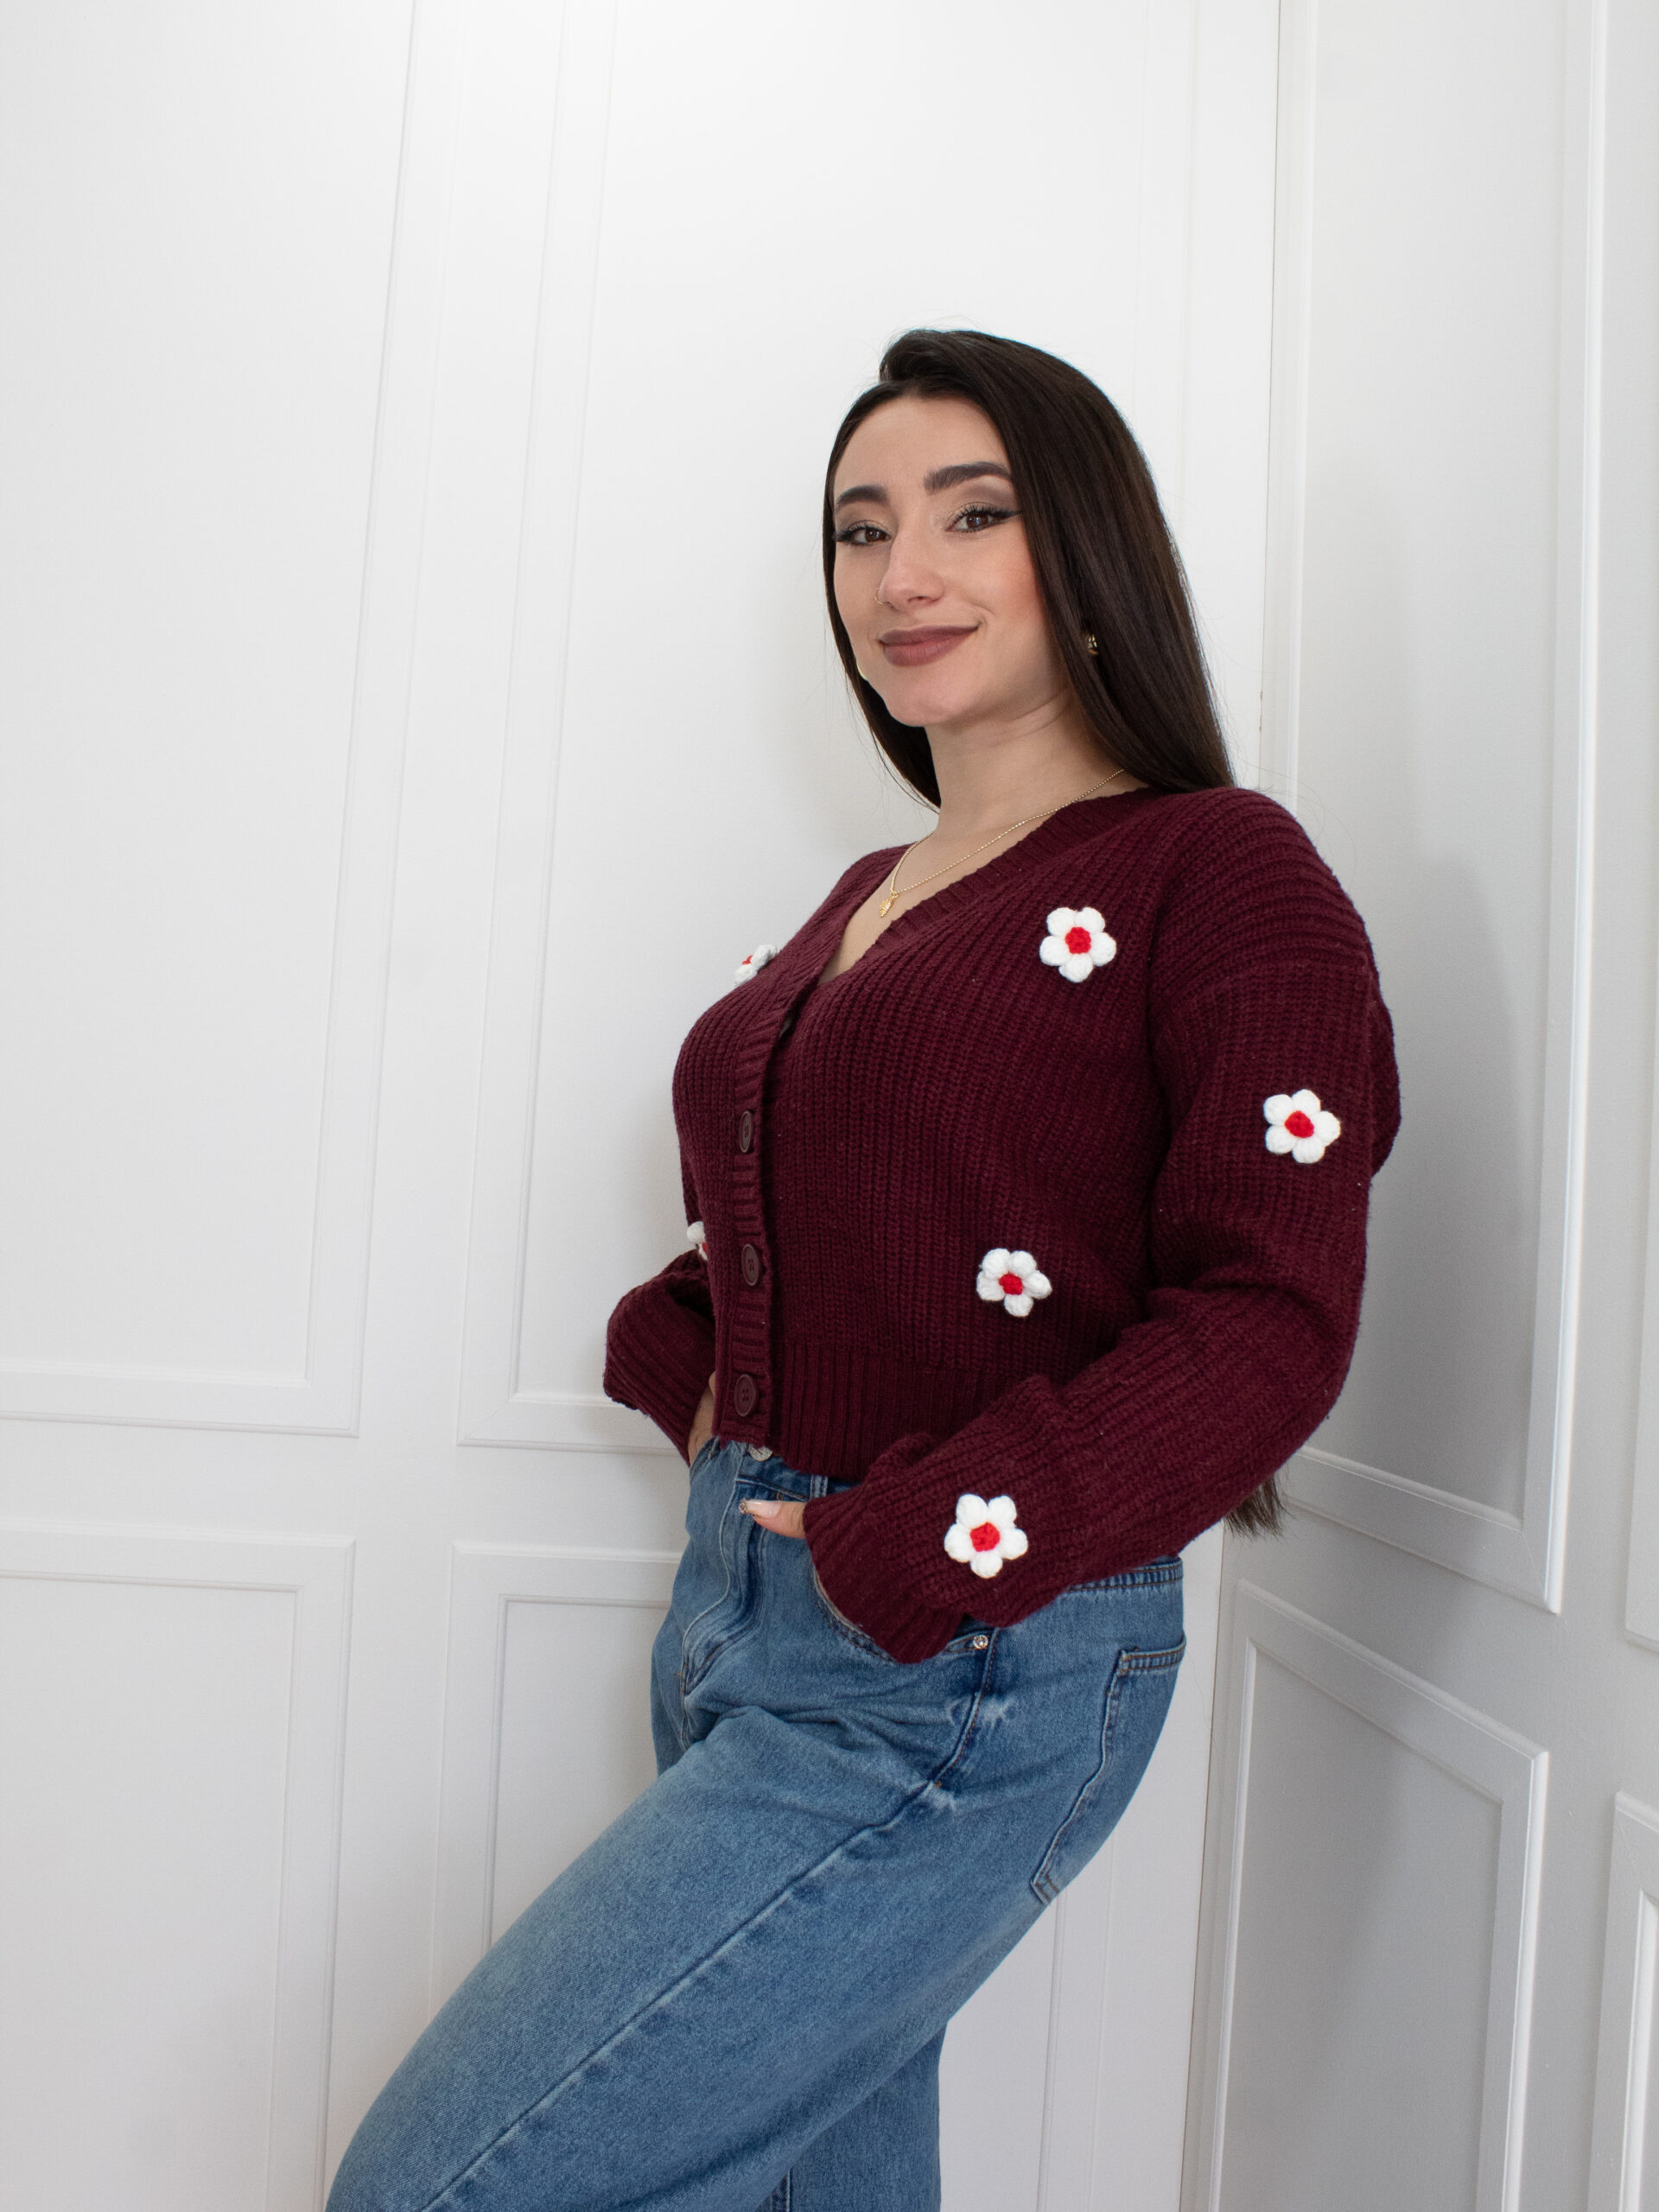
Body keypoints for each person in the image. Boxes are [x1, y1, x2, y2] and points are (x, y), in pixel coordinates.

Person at [327, 327, 1399, 2212]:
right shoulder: (876, 883)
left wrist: (924, 1541)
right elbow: (844, 1193)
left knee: (437, 2185)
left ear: (1091, 551)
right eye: (860, 526)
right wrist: (688, 1359)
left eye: (973, 515)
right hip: (752, 1608)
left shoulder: (1221, 869)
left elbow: (1270, 1315)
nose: (904, 573)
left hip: (964, 1650)